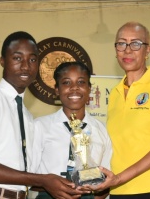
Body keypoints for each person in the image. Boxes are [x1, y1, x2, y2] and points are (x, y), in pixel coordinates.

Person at [0, 31, 84, 199]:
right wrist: (42, 180)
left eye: (32, 59)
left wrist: (74, 184)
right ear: (2, 61)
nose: (26, 66)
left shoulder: (27, 116)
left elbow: (25, 174)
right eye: (17, 58)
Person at [88, 21, 150, 199]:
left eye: (136, 44)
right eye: (121, 43)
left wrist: (118, 178)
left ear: (147, 50)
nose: (127, 50)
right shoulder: (116, 94)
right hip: (120, 192)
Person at [30, 61, 112, 199]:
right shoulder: (40, 126)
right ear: (57, 89)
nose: (74, 88)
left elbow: (107, 178)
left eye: (81, 82)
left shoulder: (102, 130)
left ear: (89, 88)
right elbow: (28, 174)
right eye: (66, 83)